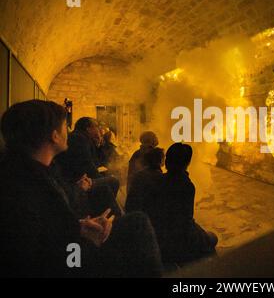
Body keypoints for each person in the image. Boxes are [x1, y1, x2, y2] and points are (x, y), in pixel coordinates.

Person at [0, 100, 162, 277]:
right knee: (138, 225)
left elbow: (48, 229)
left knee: (133, 219)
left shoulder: (29, 169)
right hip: (70, 263)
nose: (69, 132)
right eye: (65, 127)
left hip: (70, 245)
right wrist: (88, 241)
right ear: (55, 136)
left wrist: (81, 227)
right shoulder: (22, 187)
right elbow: (38, 259)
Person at [148, 142, 218, 265]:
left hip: (157, 233)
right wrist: (202, 236)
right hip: (174, 241)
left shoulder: (157, 179)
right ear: (187, 163)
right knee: (212, 238)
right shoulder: (186, 186)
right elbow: (185, 223)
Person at [55, 117, 121, 216]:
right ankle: (109, 218)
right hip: (76, 181)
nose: (99, 129)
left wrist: (99, 145)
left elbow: (97, 161)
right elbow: (88, 166)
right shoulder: (79, 139)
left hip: (78, 179)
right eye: (96, 126)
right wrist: (100, 178)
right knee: (112, 181)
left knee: (106, 183)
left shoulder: (84, 139)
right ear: (88, 128)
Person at [126, 147, 165, 213]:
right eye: (164, 157)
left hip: (131, 212)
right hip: (144, 216)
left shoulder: (139, 174)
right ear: (160, 160)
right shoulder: (160, 178)